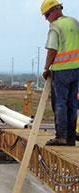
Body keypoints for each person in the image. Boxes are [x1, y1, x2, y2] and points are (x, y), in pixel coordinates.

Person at [41, 0, 79, 146]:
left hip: (61, 70)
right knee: (72, 103)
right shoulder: (75, 22)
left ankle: (61, 136)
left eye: (47, 15)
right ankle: (70, 138)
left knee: (60, 103)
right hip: (76, 69)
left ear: (55, 10)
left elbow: (52, 50)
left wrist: (46, 68)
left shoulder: (55, 27)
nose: (46, 18)